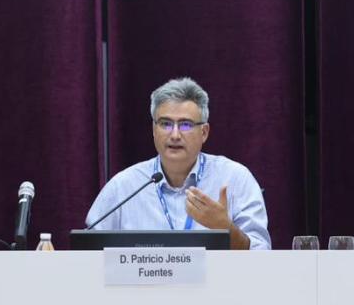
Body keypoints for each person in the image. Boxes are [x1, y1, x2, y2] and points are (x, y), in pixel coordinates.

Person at [85, 77, 270, 250]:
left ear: (204, 132)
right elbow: (87, 251)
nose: (174, 135)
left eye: (186, 125)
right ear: (153, 130)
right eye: (165, 124)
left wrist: (226, 228)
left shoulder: (235, 179)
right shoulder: (124, 187)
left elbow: (261, 254)